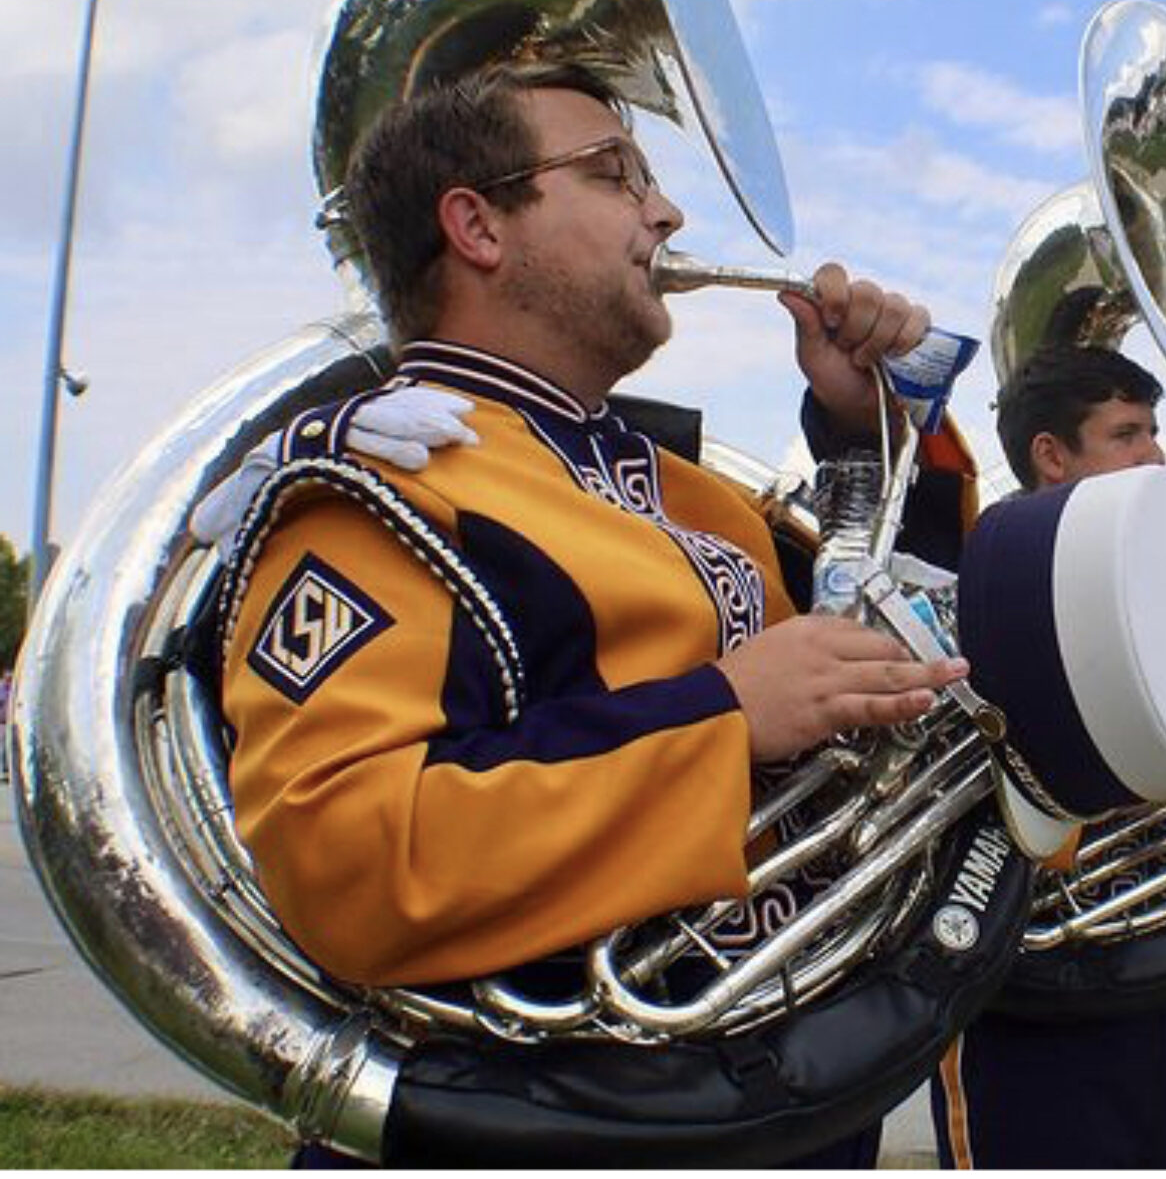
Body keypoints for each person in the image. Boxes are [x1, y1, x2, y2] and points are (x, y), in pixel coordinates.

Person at [215, 62, 974, 1167]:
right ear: (476, 225)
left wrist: (867, 432)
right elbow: (351, 865)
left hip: (771, 1099)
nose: (665, 212)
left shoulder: (692, 489)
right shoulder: (380, 483)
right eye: (614, 174)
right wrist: (724, 716)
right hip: (563, 1123)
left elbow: (912, 656)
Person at [931, 342, 1166, 1170]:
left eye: (1154, 433)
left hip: (1164, 954)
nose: (1158, 457)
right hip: (1039, 985)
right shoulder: (987, 570)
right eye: (1128, 434)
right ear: (1051, 456)